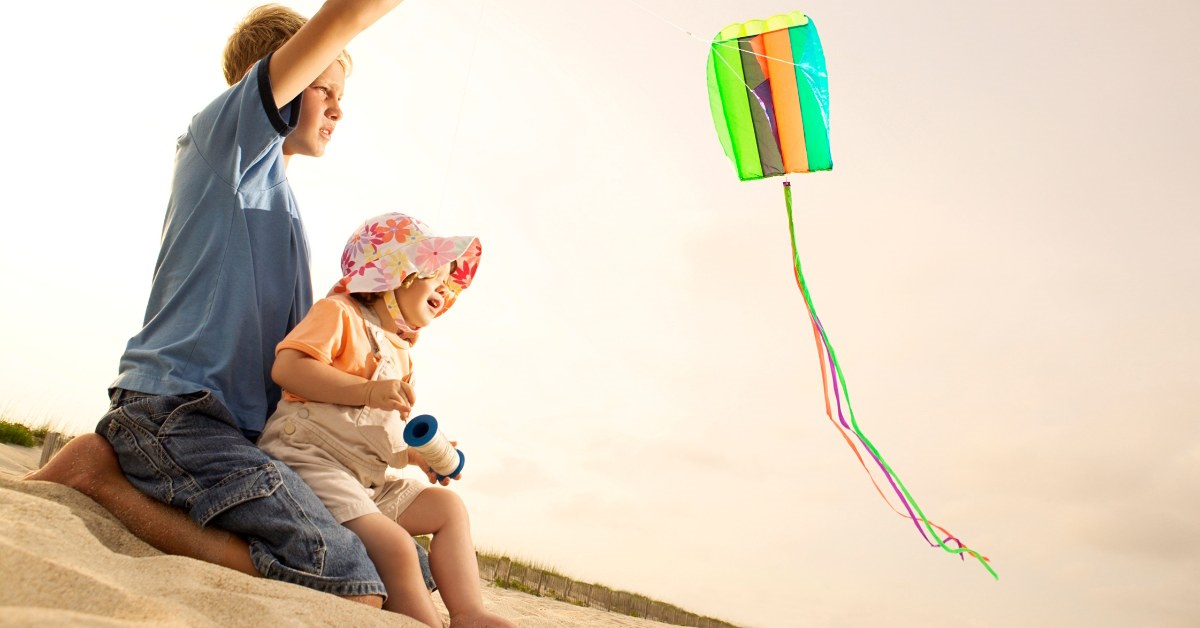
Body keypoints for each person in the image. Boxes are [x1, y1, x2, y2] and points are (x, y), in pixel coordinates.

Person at [27, 1, 431, 609]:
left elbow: (297, 368)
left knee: (408, 568)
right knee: (347, 577)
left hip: (244, 435)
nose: (338, 107)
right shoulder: (226, 146)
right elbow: (344, 18)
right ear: (277, 81)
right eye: (324, 86)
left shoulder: (284, 209)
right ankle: (98, 479)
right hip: (178, 412)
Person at [258, 212, 512, 627]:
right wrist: (366, 391)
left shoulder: (402, 353)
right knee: (395, 545)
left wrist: (417, 456)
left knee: (447, 507)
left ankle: (468, 613)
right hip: (309, 460)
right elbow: (288, 368)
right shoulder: (339, 313)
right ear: (398, 273)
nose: (446, 289)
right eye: (438, 276)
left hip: (364, 477)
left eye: (451, 283)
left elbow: (380, 433)